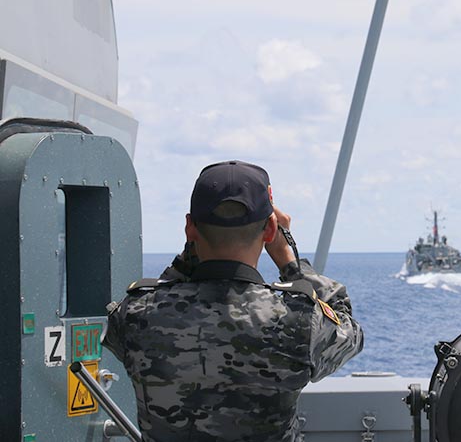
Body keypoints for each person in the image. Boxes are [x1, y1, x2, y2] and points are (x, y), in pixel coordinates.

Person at [103, 160, 363, 442]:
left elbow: (133, 319)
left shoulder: (136, 315)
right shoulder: (299, 321)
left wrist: (186, 256)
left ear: (189, 228)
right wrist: (290, 262)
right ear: (270, 230)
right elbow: (349, 328)